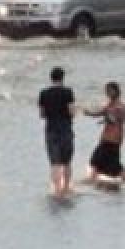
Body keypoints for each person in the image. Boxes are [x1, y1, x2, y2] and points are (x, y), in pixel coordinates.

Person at [84, 82, 125, 180]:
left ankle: (124, 177)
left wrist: (109, 118)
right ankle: (123, 177)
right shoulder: (110, 105)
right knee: (99, 162)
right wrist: (88, 113)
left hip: (113, 140)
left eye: (109, 91)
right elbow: (100, 112)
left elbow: (119, 119)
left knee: (107, 164)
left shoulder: (120, 106)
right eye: (106, 91)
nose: (107, 93)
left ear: (116, 91)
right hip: (106, 139)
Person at [38, 67, 77, 195]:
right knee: (66, 162)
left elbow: (42, 114)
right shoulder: (68, 92)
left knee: (54, 163)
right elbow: (72, 112)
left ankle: (56, 190)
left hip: (51, 130)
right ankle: (66, 188)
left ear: (51, 77)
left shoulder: (43, 93)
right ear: (63, 77)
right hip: (65, 129)